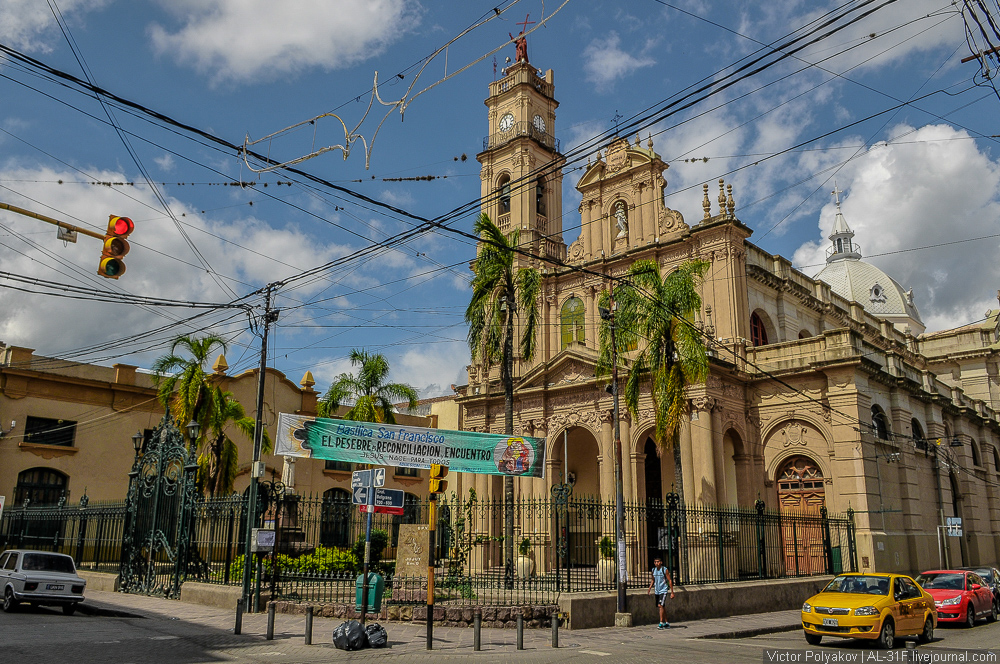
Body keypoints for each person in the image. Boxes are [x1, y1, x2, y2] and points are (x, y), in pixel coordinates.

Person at [646, 557, 675, 629]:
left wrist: (672, 592)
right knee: (662, 606)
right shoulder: (653, 570)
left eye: (658, 561)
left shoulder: (664, 570)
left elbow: (669, 580)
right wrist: (649, 588)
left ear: (661, 562)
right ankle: (666, 622)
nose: (656, 563)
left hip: (663, 590)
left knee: (660, 605)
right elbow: (653, 580)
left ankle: (661, 622)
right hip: (657, 591)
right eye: (655, 562)